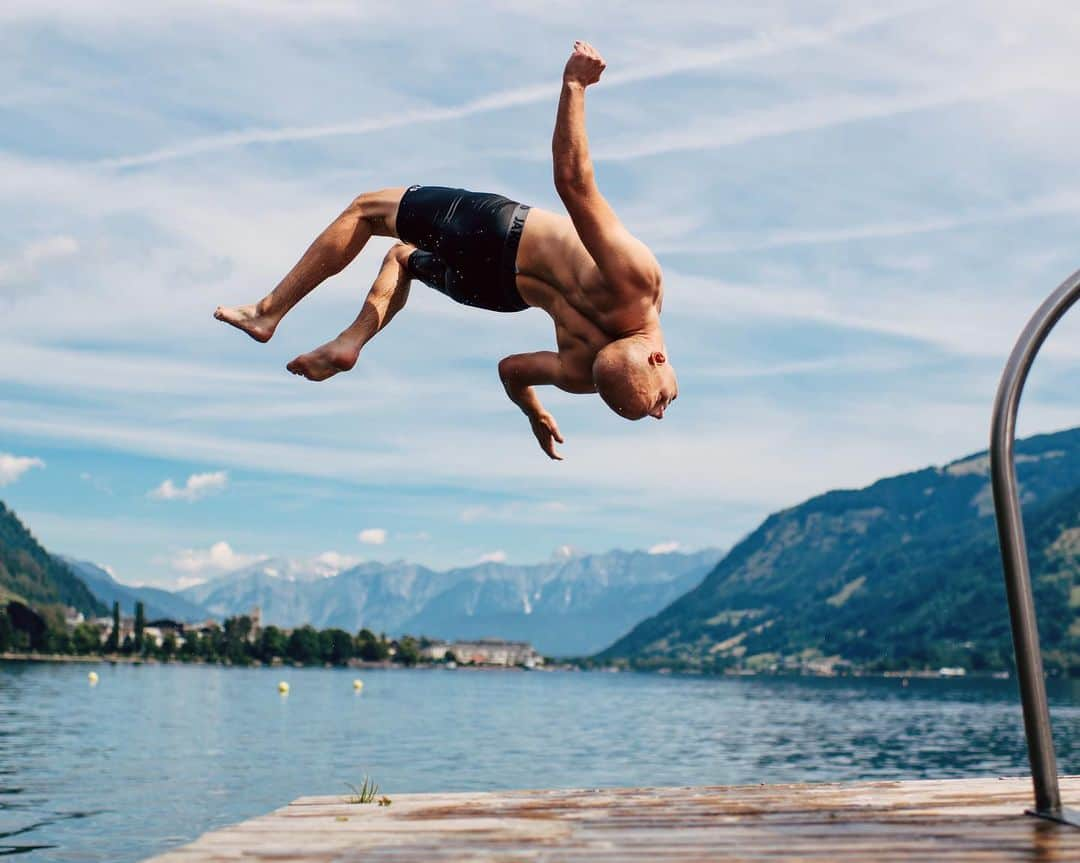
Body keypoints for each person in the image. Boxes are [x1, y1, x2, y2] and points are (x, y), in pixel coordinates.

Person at [214, 40, 676, 460]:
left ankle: (268, 313)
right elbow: (511, 370)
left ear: (657, 358)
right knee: (401, 259)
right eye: (659, 404)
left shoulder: (634, 283)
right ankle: (350, 341)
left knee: (367, 211)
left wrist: (574, 85)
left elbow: (574, 184)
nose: (660, 414)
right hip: (498, 294)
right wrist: (533, 412)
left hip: (497, 237)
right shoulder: (578, 373)